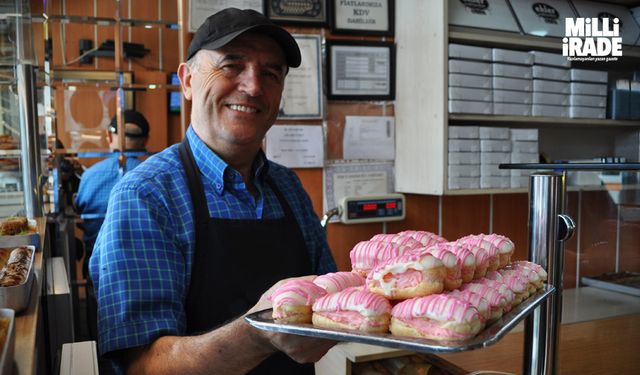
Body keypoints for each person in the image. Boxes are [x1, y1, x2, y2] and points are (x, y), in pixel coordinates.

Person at [89, 8, 337, 374]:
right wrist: (259, 333)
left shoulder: (288, 188)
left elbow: (329, 302)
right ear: (187, 81)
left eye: (270, 73)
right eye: (231, 65)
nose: (253, 87)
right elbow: (143, 366)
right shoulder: (146, 196)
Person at [75, 110, 150, 340]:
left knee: (101, 338)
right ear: (146, 141)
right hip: (147, 274)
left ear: (110, 137)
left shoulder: (90, 177)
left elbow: (79, 209)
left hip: (100, 276)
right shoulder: (157, 176)